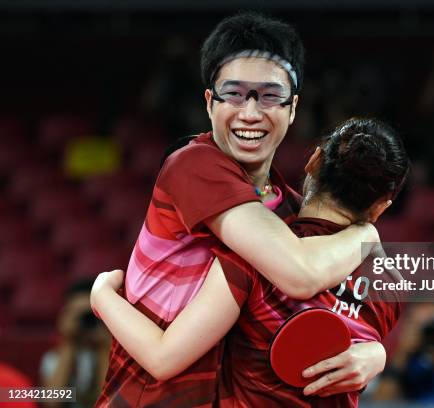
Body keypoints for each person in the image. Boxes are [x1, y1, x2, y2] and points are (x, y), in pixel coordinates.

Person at [97, 12, 384, 407]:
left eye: (269, 95)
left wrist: (374, 353)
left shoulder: (289, 212)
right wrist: (365, 234)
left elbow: (345, 306)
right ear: (210, 103)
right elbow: (299, 276)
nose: (250, 113)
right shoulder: (193, 165)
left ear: (293, 107)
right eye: (234, 94)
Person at [91, 117, 410, 407]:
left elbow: (162, 357)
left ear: (313, 162)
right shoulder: (392, 287)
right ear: (381, 207)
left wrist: (102, 295)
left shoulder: (256, 258)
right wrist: (378, 353)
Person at [40, 280, 111, 408]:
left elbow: (110, 401)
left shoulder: (113, 355)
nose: (85, 321)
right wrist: (69, 341)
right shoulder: (54, 357)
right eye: (79, 315)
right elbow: (52, 402)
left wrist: (104, 346)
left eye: (90, 314)